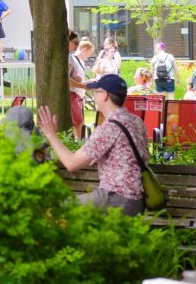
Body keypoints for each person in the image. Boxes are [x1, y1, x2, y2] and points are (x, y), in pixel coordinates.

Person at [39, 74, 148, 216]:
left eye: (95, 92)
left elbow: (71, 164)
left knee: (57, 209)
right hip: (136, 200)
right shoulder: (136, 121)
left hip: (116, 198)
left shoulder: (109, 128)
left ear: (105, 95)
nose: (94, 97)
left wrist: (51, 135)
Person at [68, 32, 89, 142]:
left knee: (79, 122)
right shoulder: (68, 57)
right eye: (75, 42)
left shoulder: (70, 57)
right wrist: (82, 85)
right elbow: (66, 80)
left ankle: (77, 145)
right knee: (79, 122)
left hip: (75, 95)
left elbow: (69, 76)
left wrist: (76, 79)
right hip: (71, 95)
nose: (77, 46)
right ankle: (78, 146)